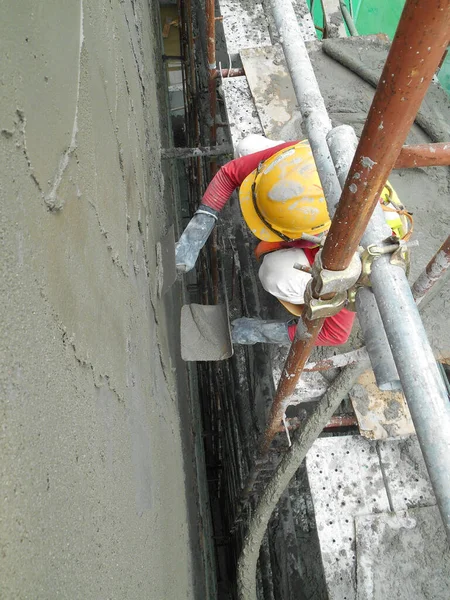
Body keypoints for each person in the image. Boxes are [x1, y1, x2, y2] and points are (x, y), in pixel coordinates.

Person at [175, 134, 408, 346]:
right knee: (248, 147)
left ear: (313, 236)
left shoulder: (350, 255)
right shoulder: (302, 161)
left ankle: (294, 277)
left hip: (330, 251)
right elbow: (228, 174)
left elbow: (335, 335)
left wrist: (260, 331)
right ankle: (273, 223)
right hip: (319, 207)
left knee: (274, 274)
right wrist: (195, 234)